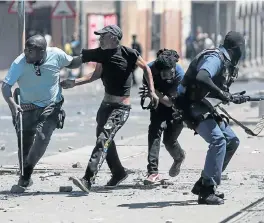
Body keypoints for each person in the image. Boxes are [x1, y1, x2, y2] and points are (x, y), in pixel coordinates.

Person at [60, 25, 159, 192]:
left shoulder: (129, 53)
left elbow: (147, 68)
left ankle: (88, 179)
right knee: (104, 138)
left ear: (113, 37)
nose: (99, 39)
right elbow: (95, 74)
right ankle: (118, 172)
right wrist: (74, 82)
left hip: (121, 107)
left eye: (102, 36)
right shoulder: (101, 53)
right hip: (105, 106)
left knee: (104, 138)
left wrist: (152, 92)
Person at [1, 35, 82, 188]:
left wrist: (87, 55)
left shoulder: (56, 55)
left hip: (51, 105)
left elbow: (73, 63)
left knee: (42, 137)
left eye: (30, 51)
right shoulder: (20, 62)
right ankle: (25, 176)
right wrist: (12, 104)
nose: (26, 53)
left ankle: (27, 172)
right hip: (26, 107)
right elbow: (5, 86)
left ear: (42, 52)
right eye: (25, 50)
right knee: (24, 145)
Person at [176, 31, 245, 205]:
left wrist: (231, 96)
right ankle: (206, 191)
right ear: (236, 48)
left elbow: (215, 89)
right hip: (190, 106)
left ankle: (205, 183)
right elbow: (202, 77)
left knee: (232, 141)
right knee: (218, 140)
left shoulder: (224, 60)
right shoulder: (216, 58)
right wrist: (223, 94)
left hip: (203, 106)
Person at [139, 49, 186, 185]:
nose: (167, 78)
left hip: (177, 107)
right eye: (164, 75)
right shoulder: (150, 71)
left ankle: (179, 157)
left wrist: (154, 92)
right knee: (154, 133)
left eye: (170, 74)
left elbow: (171, 102)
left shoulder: (180, 75)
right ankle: (153, 172)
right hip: (158, 105)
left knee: (169, 141)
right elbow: (149, 92)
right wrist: (151, 94)